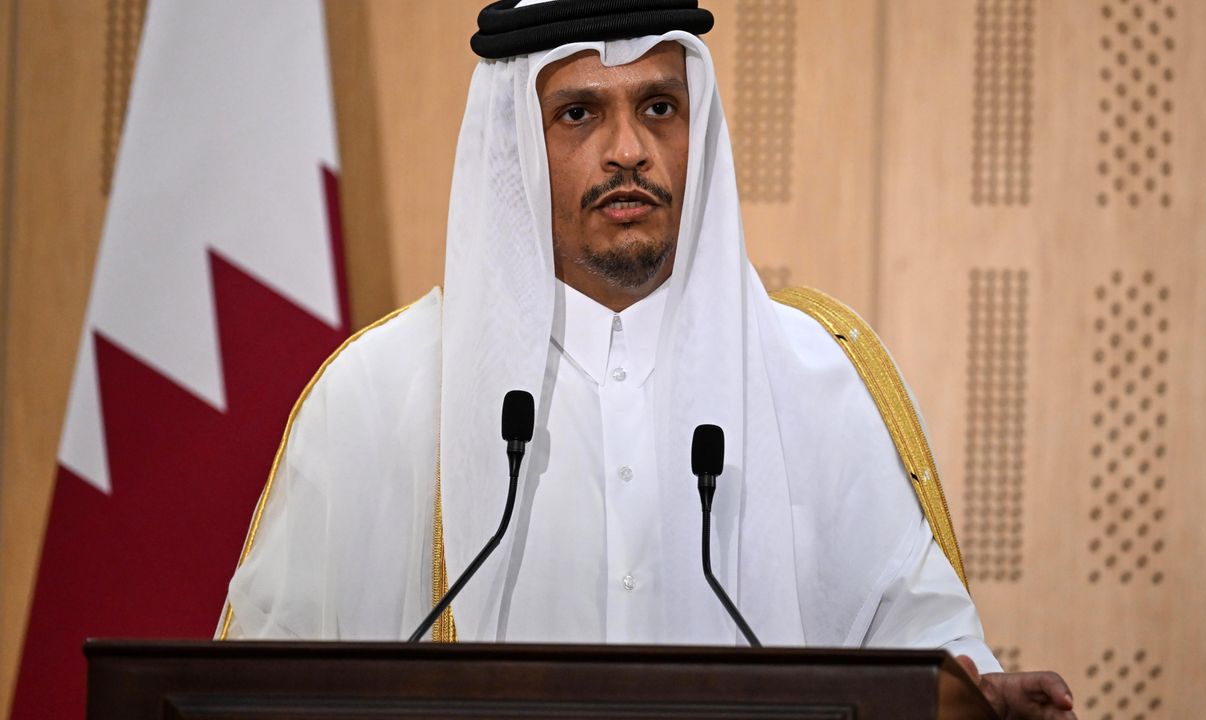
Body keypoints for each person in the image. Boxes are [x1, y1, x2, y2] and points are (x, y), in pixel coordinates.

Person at [219, 1, 1074, 717]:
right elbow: (257, 685)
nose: (628, 149)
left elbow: (918, 638)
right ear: (515, 145)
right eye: (579, 113)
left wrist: (976, 691)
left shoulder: (824, 381)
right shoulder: (378, 396)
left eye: (659, 107)